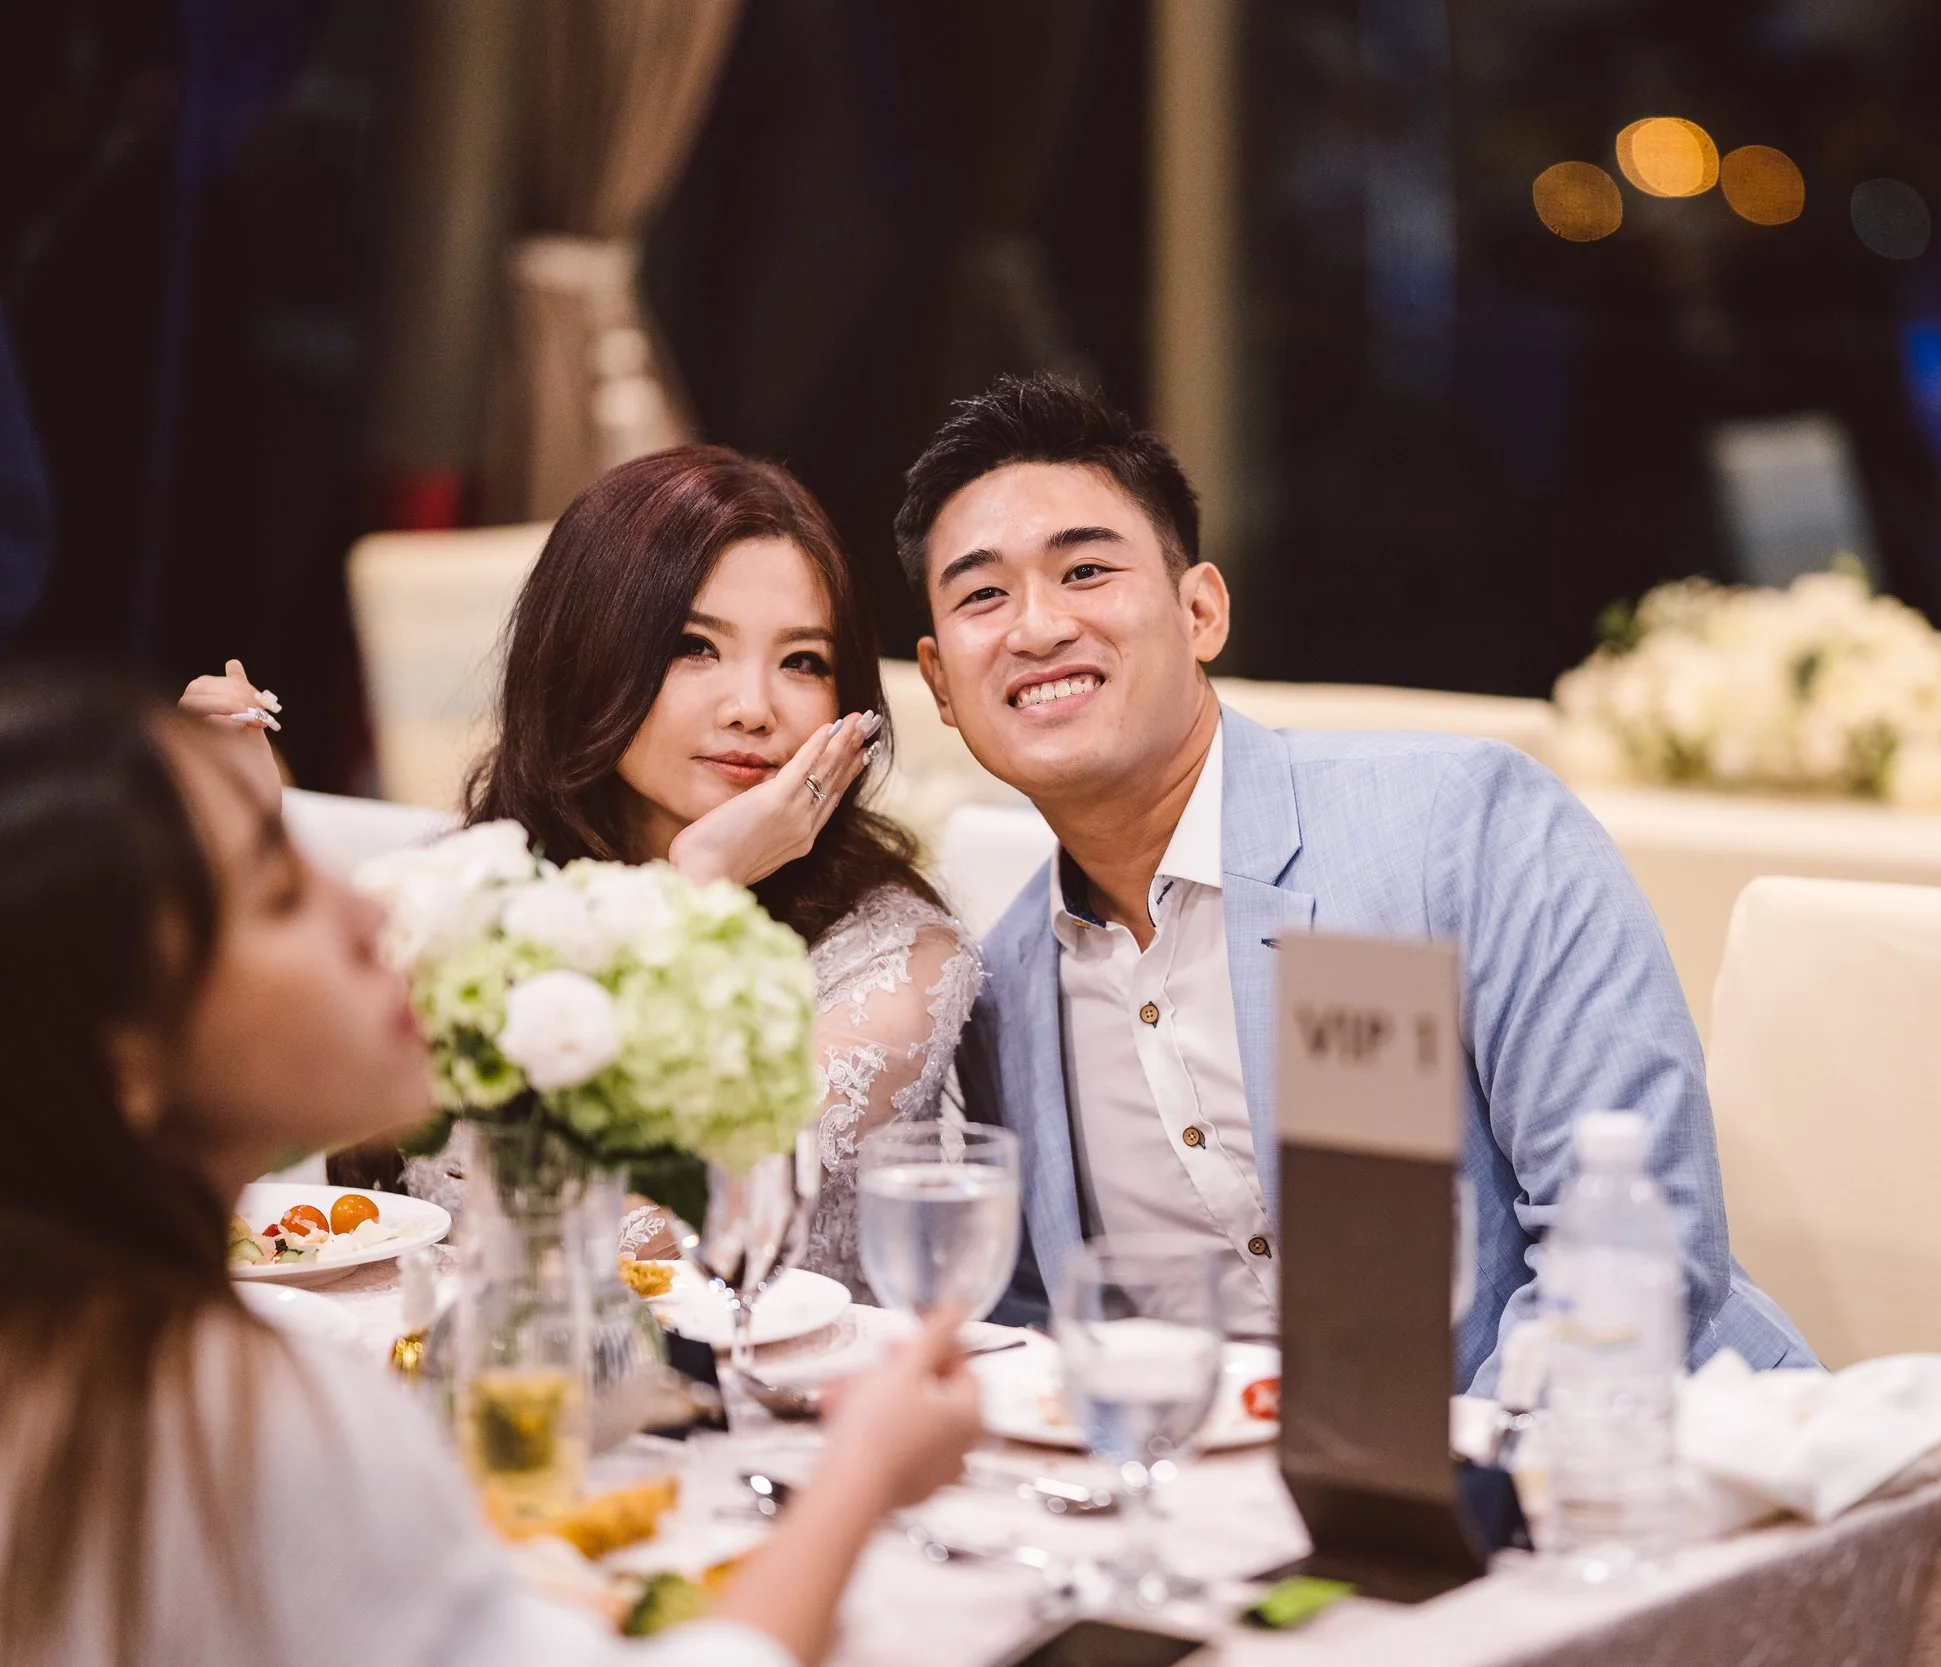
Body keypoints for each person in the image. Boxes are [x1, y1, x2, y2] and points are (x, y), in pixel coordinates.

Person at [0, 672, 982, 1667]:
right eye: (280, 888)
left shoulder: (81, 1353)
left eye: (804, 658)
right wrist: (861, 1473)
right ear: (120, 1058)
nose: (364, 908)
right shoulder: (248, 1421)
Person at [897, 374, 1815, 1392]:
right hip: (1251, 1521)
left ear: (1200, 610)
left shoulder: (1457, 828)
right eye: (983, 593)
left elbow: (1639, 1247)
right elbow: (1046, 1322)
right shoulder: (1004, 986)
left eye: (1085, 570)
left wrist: (1441, 1504)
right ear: (940, 681)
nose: (1035, 627)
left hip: (1640, 1465)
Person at [185, 448, 980, 1287]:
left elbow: (611, 1247)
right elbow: (264, 1165)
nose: (752, 707)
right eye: (694, 646)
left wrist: (697, 882)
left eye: (803, 662)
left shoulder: (897, 961)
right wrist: (233, 874)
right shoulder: (473, 893)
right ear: (587, 653)